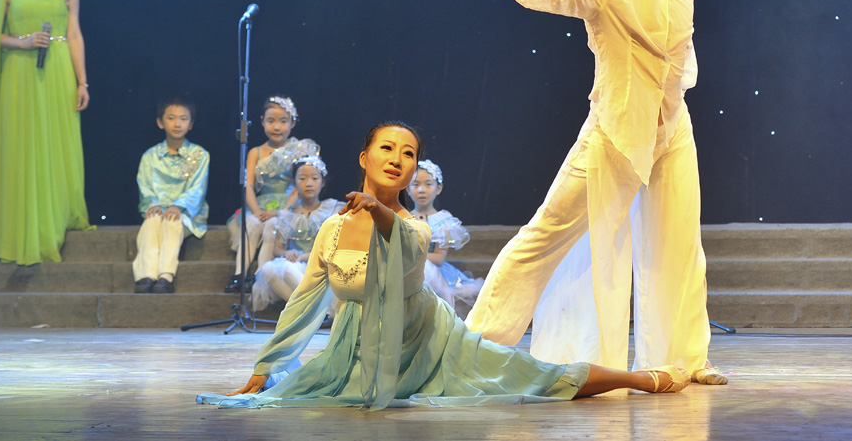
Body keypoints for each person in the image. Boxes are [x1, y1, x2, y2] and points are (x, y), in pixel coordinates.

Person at [196, 121, 689, 411]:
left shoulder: (415, 226)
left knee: (535, 379)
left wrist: (379, 209)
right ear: (364, 157)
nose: (397, 159)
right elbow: (302, 304)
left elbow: (402, 251)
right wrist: (265, 369)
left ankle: (640, 378)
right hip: (358, 350)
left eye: (408, 154)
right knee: (302, 395)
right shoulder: (332, 229)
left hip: (430, 343)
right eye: (387, 149)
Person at [464, 0, 726, 385]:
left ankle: (688, 359)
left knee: (680, 244)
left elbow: (679, 48)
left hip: (671, 128)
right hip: (614, 133)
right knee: (547, 232)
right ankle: (475, 344)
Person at [0, 0, 92, 265]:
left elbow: (74, 35)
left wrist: (82, 81)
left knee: (54, 144)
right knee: (23, 145)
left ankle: (54, 221)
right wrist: (23, 42)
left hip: (57, 74)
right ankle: (23, 228)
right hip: (20, 73)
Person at [226, 95, 319, 292]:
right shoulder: (256, 152)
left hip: (289, 206)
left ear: (292, 123)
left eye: (283, 121)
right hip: (261, 205)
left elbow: (300, 185)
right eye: (271, 121)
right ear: (262, 121)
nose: (277, 127)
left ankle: (261, 275)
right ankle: (239, 275)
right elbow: (248, 186)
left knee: (272, 225)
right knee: (251, 223)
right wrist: (256, 211)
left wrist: (281, 212)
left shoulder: (299, 150)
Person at [133, 98, 210, 294]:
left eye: (183, 119)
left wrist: (178, 206)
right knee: (152, 221)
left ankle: (165, 276)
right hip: (158, 209)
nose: (177, 124)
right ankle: (146, 275)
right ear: (160, 122)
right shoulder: (150, 156)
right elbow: (145, 185)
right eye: (171, 118)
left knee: (172, 221)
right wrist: (153, 204)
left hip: (186, 213)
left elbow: (197, 189)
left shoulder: (200, 154)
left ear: (190, 124)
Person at [251, 155, 342, 311]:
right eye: (302, 178)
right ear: (294, 183)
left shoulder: (333, 210)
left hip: (321, 265)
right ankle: (314, 312)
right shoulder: (288, 215)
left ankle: (317, 311)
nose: (308, 183)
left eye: (314, 178)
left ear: (322, 182)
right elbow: (277, 248)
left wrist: (302, 257)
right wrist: (285, 253)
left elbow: (333, 247)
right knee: (268, 269)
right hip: (296, 265)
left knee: (287, 269)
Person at [406, 159, 483, 316]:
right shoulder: (404, 217)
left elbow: (439, 258)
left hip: (433, 271)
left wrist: (410, 256)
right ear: (407, 189)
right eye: (415, 184)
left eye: (428, 184)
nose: (421, 190)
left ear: (438, 188)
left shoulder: (444, 221)